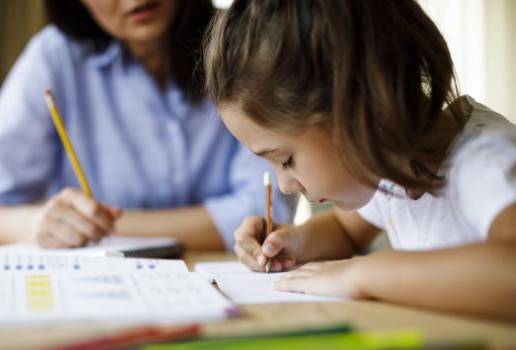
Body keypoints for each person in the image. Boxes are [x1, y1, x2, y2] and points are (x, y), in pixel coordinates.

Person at [204, 0, 516, 320]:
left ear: (359, 105)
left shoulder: (486, 161)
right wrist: (294, 241)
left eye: (286, 160)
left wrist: (364, 273)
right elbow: (345, 230)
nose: (284, 186)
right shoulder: (390, 164)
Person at [0, 0, 293, 251]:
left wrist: (104, 228)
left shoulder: (241, 45)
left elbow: (266, 213)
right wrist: (36, 225)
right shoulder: (54, 60)